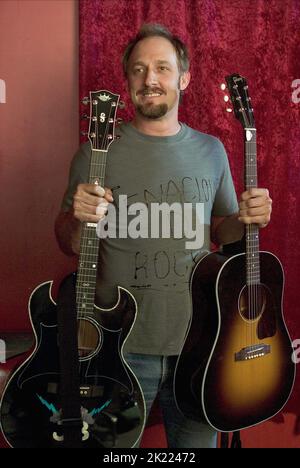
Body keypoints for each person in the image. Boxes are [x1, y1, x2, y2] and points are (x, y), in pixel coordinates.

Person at [55, 23, 272, 448]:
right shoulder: (96, 152)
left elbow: (222, 232)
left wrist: (247, 217)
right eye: (138, 70)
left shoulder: (211, 150)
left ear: (184, 78)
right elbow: (69, 243)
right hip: (117, 347)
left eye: (162, 68)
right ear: (128, 81)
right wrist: (79, 217)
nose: (149, 79)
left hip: (202, 343)